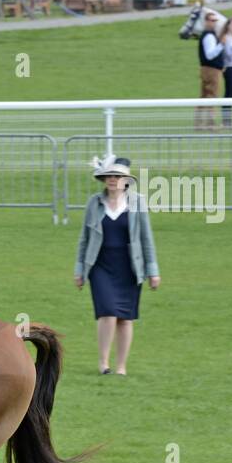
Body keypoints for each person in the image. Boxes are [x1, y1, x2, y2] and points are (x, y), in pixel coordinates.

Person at [74, 156, 160, 376]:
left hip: (129, 267)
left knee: (125, 318)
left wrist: (153, 271)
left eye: (118, 176)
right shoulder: (94, 203)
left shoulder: (137, 203)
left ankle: (121, 366)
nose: (112, 180)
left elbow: (146, 238)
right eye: (109, 176)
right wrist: (79, 269)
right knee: (108, 313)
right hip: (100, 266)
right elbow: (84, 238)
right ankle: (104, 363)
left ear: (126, 180)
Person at [195, 10, 223, 131]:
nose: (214, 23)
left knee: (204, 96)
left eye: (215, 20)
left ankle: (199, 124)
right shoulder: (209, 36)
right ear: (206, 21)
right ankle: (210, 124)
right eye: (212, 20)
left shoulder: (207, 35)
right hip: (212, 70)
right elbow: (210, 55)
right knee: (212, 96)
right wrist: (222, 44)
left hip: (206, 69)